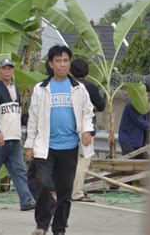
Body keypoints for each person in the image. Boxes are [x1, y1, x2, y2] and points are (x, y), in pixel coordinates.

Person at [24, 45, 95, 235]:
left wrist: (88, 130)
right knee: (44, 184)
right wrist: (29, 144)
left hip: (69, 147)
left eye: (65, 60)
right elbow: (33, 118)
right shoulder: (41, 89)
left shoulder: (79, 89)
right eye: (58, 61)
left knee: (65, 191)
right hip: (46, 146)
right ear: (51, 64)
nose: (62, 64)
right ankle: (41, 224)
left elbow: (88, 112)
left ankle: (59, 228)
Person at [0, 58, 35, 211]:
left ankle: (26, 201)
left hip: (14, 139)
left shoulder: (15, 88)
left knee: (19, 171)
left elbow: (15, 113)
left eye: (10, 68)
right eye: (4, 68)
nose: (7, 71)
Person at [70, 58, 105, 203]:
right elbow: (101, 105)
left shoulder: (68, 85)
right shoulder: (90, 87)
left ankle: (63, 189)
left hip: (69, 127)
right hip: (86, 128)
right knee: (83, 160)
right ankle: (77, 192)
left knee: (68, 161)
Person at [118, 82, 150, 159]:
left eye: (149, 95)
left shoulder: (147, 104)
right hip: (128, 141)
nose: (148, 97)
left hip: (140, 143)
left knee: (145, 164)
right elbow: (140, 122)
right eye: (146, 95)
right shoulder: (132, 104)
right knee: (130, 166)